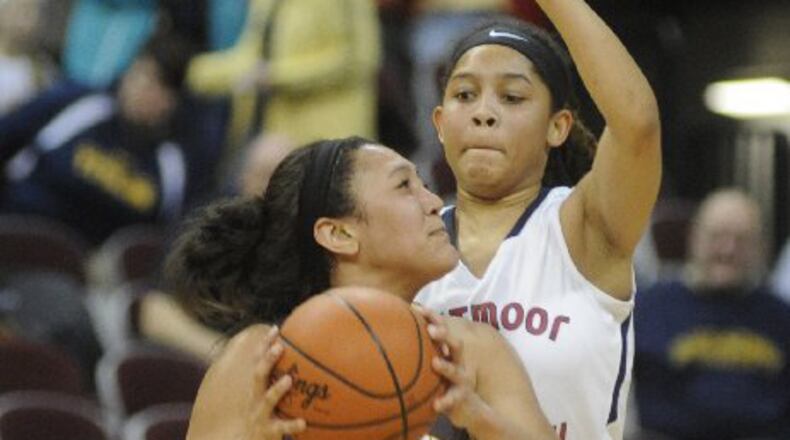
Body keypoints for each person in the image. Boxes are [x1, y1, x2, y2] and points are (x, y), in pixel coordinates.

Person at [165, 137, 557, 439]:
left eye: (423, 184)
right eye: (404, 186)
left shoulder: (472, 349)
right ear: (339, 233)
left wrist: (478, 418)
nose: (435, 201)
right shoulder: (263, 356)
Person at [414, 0, 662, 438]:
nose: (483, 112)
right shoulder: (408, 241)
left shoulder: (583, 228)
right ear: (439, 122)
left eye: (512, 97)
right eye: (464, 95)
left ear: (557, 126)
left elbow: (637, 125)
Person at [0, 34, 198, 245]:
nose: (141, 89)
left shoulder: (172, 167)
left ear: (172, 101)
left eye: (157, 85)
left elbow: (157, 242)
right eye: (140, 74)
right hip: (17, 226)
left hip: (94, 260)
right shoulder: (79, 103)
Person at [633, 189, 790, 440]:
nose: (727, 250)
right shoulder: (648, 309)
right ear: (693, 238)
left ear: (762, 247)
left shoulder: (781, 318)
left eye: (741, 240)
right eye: (717, 236)